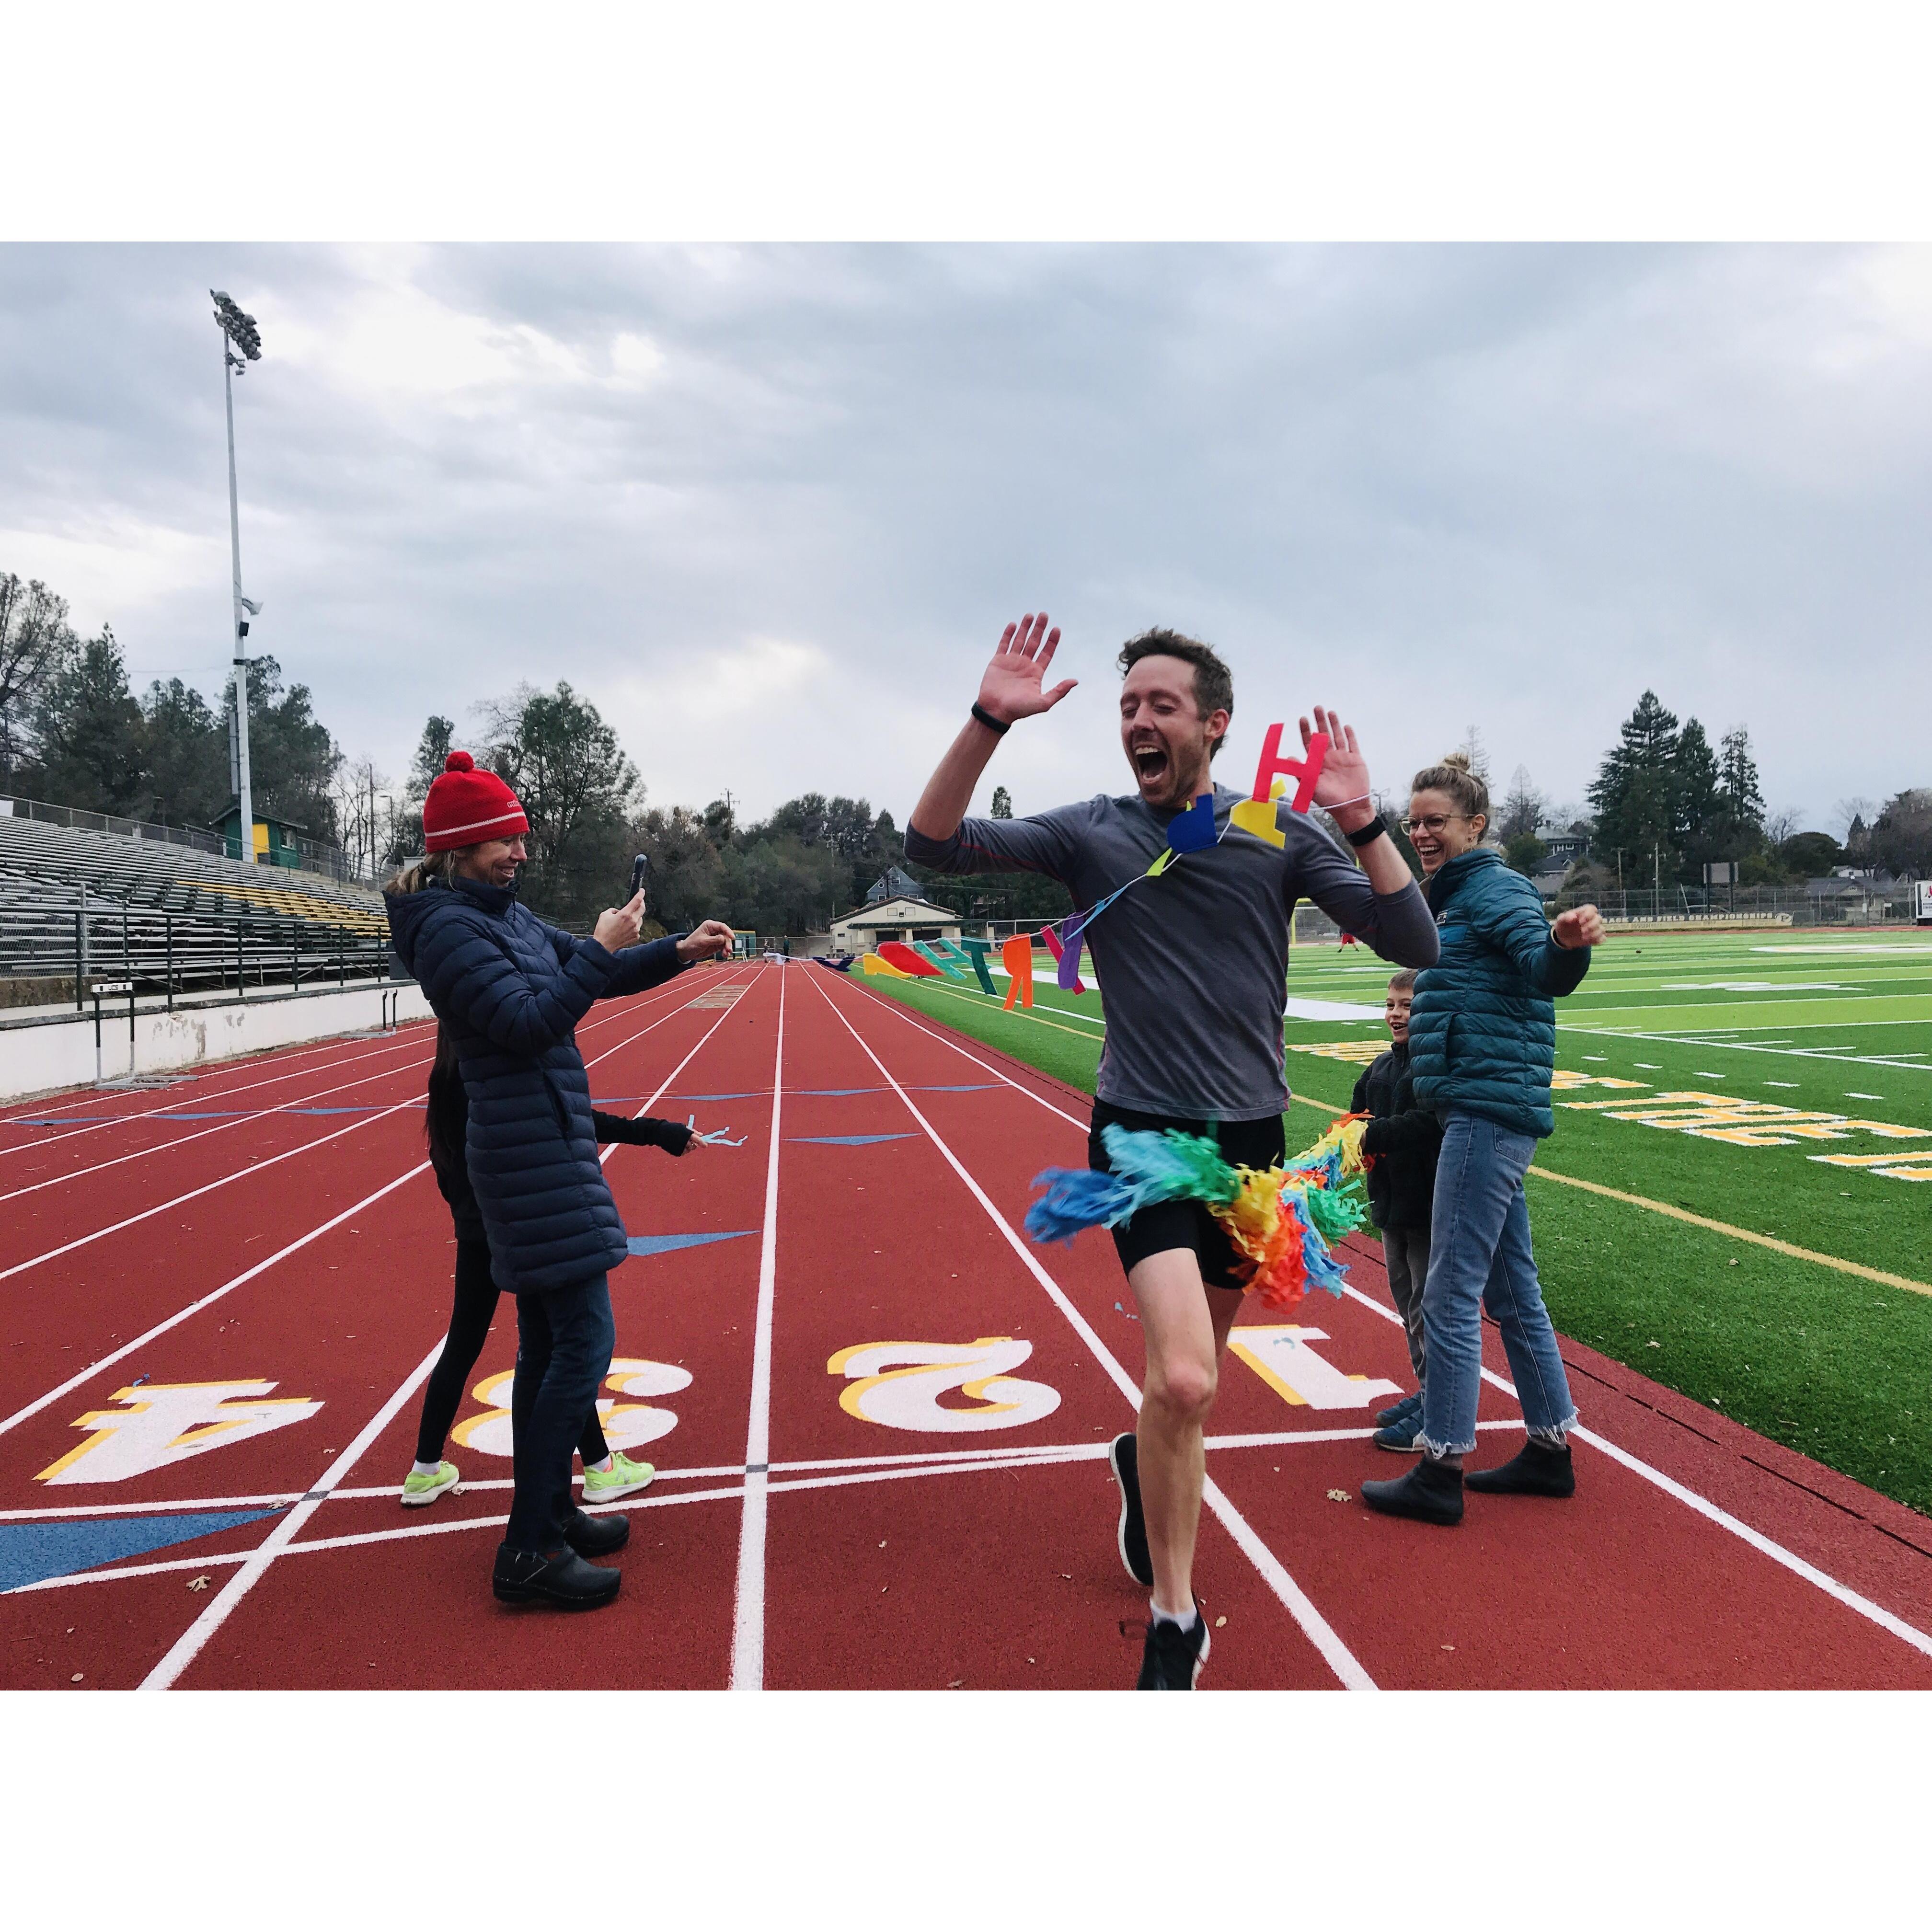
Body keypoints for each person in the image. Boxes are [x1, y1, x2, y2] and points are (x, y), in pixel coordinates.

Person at [906, 613, 1439, 1688]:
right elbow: (927, 848)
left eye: (1161, 706)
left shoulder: (1277, 832)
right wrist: (985, 723)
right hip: (1140, 1139)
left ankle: (1137, 1462)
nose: (1139, 723)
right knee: (1190, 1379)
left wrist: (1366, 822)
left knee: (1181, 1389)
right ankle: (1175, 1618)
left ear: (1214, 725)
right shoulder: (1091, 831)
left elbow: (1414, 943)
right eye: (1127, 708)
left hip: (1248, 1150)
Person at [385, 750, 734, 1609]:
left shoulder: (495, 914)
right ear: (461, 844)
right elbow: (528, 1019)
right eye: (505, 836)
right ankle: (530, 1547)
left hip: (544, 1147)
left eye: (521, 834)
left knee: (547, 1346)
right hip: (524, 1156)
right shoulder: (448, 929)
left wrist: (674, 951)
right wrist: (599, 949)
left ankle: (548, 1512)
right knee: (583, 1344)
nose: (521, 850)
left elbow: (594, 968)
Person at [1360, 752, 1606, 1528]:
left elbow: (1542, 972)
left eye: (1437, 820)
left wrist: (1567, 944)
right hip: (1473, 1107)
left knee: (1450, 1287)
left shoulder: (1494, 890)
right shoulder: (1447, 900)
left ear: (1477, 824)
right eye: (1416, 821)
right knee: (1509, 1287)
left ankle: (1440, 1464)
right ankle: (1548, 1447)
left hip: (1483, 1112)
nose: (1423, 832)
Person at [400, 1019, 706, 1511]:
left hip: (476, 1231)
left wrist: (467, 1215)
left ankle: (425, 1469)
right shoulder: (491, 1079)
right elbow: (575, 1120)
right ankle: (601, 1472)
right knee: (567, 1345)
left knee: (467, 1344)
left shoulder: (442, 1083)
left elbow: (444, 1161)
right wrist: (656, 1133)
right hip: (517, 1224)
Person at [1348, 968, 1441, 1452]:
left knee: (1429, 1308)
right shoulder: (1380, 1068)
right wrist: (1346, 1137)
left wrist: (1370, 1135)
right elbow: (1359, 1116)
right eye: (1391, 1005)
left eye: (1407, 1005)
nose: (1396, 1014)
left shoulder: (1433, 1069)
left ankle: (1440, 1409)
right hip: (1389, 1204)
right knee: (1408, 1306)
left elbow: (1426, 1123)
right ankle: (1428, 1391)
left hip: (1425, 1207)